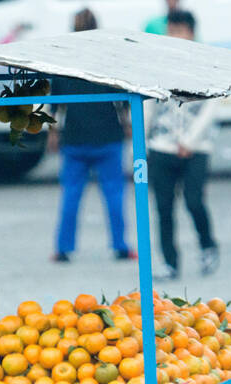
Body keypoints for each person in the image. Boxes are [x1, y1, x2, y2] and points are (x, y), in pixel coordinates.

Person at [49, 9, 135, 262]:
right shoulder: (107, 58)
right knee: (114, 194)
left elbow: (56, 104)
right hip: (108, 136)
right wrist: (127, 123)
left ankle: (63, 249)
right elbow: (123, 98)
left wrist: (52, 133)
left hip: (74, 138)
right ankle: (120, 246)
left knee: (71, 195)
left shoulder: (62, 61)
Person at [146, 10, 219, 281]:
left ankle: (208, 244)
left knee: (194, 200)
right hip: (162, 146)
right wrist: (139, 144)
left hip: (196, 148)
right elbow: (148, 104)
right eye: (171, 30)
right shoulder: (158, 65)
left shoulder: (206, 63)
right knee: (163, 207)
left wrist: (191, 141)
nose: (174, 36)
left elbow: (212, 107)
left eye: (179, 30)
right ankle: (169, 261)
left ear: (191, 32)